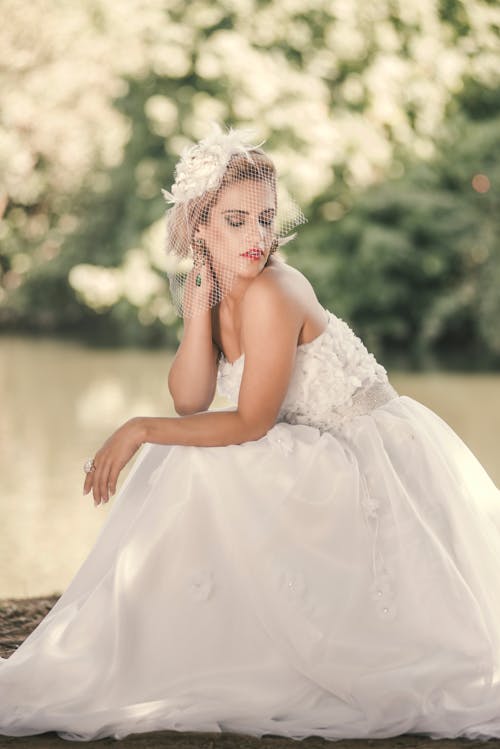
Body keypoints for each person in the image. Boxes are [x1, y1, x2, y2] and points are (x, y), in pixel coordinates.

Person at [1, 125, 500, 743]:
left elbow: (250, 422)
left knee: (186, 453)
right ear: (199, 227)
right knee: (182, 453)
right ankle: (162, 639)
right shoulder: (218, 292)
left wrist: (136, 429)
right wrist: (193, 310)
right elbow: (190, 399)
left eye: (264, 219)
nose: (256, 237)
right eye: (235, 221)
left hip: (361, 459)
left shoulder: (275, 289)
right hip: (308, 447)